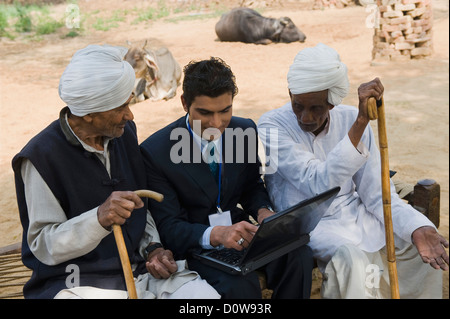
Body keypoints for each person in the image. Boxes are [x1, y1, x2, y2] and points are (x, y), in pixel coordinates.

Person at [12, 44, 220, 299]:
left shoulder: (124, 134)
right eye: (120, 107)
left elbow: (139, 207)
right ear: (88, 114)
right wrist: (98, 218)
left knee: (202, 298)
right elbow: (44, 244)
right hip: (77, 282)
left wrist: (152, 248)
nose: (129, 115)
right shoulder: (40, 157)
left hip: (139, 273)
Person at [257, 43, 449, 299]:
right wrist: (360, 123)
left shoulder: (348, 117)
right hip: (310, 225)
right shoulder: (272, 125)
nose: (305, 117)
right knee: (352, 261)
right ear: (290, 93)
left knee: (415, 249)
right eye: (298, 106)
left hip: (357, 215)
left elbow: (377, 194)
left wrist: (417, 227)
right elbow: (316, 182)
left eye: (316, 108)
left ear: (332, 102)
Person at [140, 57, 314, 299]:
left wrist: (263, 210)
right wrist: (216, 235)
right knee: (239, 285)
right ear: (184, 103)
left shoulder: (243, 130)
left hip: (241, 235)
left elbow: (252, 186)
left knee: (299, 256)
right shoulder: (155, 151)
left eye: (225, 111)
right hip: (197, 247)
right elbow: (168, 227)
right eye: (205, 113)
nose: (216, 123)